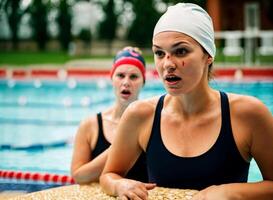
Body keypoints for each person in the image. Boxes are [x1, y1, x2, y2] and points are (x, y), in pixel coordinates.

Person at [100, 3, 273, 200]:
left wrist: (230, 192)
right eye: (159, 53)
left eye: (180, 51)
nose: (167, 64)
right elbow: (108, 175)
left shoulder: (247, 114)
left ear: (208, 55)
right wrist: (119, 185)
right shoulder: (140, 115)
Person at [71, 46, 148, 184]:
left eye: (134, 77)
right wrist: (121, 144)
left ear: (143, 82)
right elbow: (79, 176)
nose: (126, 82)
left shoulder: (152, 124)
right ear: (112, 78)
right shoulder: (90, 125)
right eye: (120, 75)